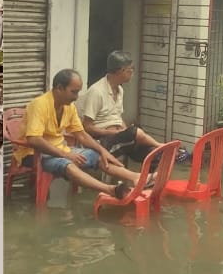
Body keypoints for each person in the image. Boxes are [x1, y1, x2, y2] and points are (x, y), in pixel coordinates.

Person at [14, 69, 143, 199]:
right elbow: (34, 139)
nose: (76, 97)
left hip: (61, 150)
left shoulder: (69, 106)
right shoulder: (39, 105)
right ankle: (110, 190)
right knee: (68, 164)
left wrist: (103, 151)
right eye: (73, 92)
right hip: (33, 154)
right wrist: (66, 154)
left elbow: (81, 134)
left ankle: (136, 177)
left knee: (97, 156)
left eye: (78, 92)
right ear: (59, 88)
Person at [77, 51, 192, 164]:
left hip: (119, 139)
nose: (132, 74)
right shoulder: (97, 91)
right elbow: (87, 127)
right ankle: (161, 146)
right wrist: (109, 132)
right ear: (120, 71)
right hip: (102, 141)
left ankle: (157, 162)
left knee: (148, 151)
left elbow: (117, 116)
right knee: (135, 133)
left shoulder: (120, 90)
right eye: (130, 71)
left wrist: (124, 131)